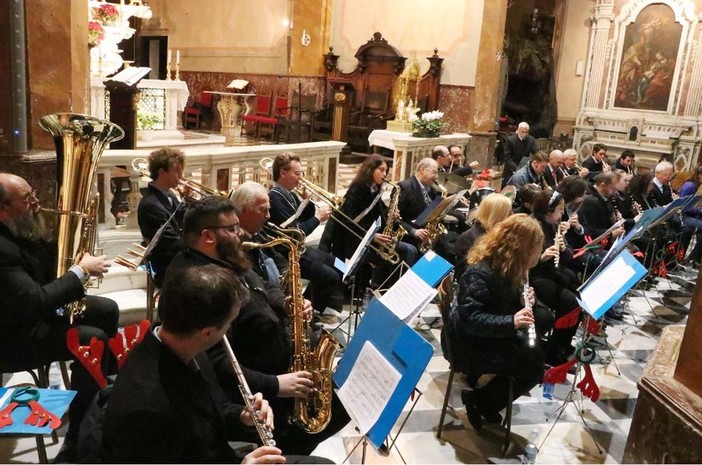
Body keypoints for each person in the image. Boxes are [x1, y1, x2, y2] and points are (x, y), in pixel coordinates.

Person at [168, 197, 349, 455]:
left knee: (343, 397)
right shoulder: (200, 283)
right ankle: (283, 454)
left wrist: (286, 303)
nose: (240, 232)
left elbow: (262, 285)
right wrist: (276, 384)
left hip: (277, 369)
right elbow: (216, 362)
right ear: (207, 236)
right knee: (333, 408)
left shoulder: (227, 257)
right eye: (231, 228)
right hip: (257, 393)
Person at [102, 264, 330, 464]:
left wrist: (241, 415)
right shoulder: (146, 407)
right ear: (207, 332)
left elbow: (207, 412)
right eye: (229, 324)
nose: (228, 331)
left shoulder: (183, 346)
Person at [0, 172, 119, 462]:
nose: (37, 203)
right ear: (3, 209)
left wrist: (70, 235)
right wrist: (79, 271)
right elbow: (35, 301)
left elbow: (46, 270)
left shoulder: (17, 230)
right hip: (11, 337)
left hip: (27, 317)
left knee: (107, 308)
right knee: (92, 339)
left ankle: (100, 394)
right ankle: (79, 435)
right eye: (27, 200)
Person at [446, 214, 545, 430]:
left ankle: (486, 402)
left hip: (486, 335)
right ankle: (480, 401)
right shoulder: (479, 273)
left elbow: (500, 302)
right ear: (519, 248)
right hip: (468, 344)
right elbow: (472, 320)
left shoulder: (507, 267)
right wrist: (512, 321)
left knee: (534, 357)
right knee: (532, 367)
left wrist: (522, 301)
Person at [328, 155, 419, 288]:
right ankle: (381, 288)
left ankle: (396, 288)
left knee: (412, 249)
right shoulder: (358, 189)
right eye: (381, 170)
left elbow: (380, 210)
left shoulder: (374, 189)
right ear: (370, 170)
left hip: (371, 238)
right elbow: (347, 221)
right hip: (355, 241)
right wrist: (372, 236)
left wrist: (391, 214)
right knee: (399, 255)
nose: (384, 174)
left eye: (386, 171)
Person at [267, 153, 342, 313]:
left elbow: (301, 219)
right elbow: (295, 233)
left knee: (339, 264)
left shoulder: (290, 194)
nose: (300, 178)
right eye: (297, 173)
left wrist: (306, 201)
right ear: (283, 173)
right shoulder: (275, 198)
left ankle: (320, 303)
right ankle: (311, 312)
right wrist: (317, 218)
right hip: (288, 253)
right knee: (330, 276)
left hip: (300, 249)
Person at [530, 190, 583, 364]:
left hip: (550, 271)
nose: (562, 213)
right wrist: (542, 257)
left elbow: (568, 258)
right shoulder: (532, 226)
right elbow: (523, 261)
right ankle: (554, 351)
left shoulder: (554, 225)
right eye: (560, 209)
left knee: (579, 294)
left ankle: (564, 344)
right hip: (534, 275)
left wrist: (562, 248)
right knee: (569, 302)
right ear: (548, 210)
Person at [137, 147, 187, 286]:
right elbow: (171, 244)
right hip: (168, 265)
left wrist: (187, 200)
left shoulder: (169, 194)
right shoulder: (151, 205)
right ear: (162, 172)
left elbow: (184, 217)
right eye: (177, 171)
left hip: (178, 257)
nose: (181, 176)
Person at [398, 157, 458, 263]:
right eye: (434, 172)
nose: (436, 176)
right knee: (447, 252)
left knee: (454, 246)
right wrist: (413, 231)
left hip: (428, 233)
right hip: (413, 235)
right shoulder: (404, 187)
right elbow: (396, 218)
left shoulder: (431, 190)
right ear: (422, 169)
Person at [454, 193, 512, 280]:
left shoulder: (503, 235)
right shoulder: (468, 239)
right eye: (509, 213)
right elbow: (465, 277)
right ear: (497, 216)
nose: (512, 216)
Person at [678, 165, 702, 267]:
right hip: (682, 216)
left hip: (691, 215)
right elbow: (684, 207)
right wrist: (700, 211)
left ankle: (694, 258)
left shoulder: (695, 185)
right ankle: (693, 258)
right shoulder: (689, 186)